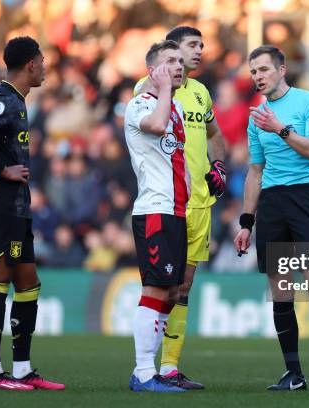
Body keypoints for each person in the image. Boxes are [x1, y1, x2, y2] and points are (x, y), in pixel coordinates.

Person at [234, 45, 309, 391]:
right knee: (281, 292)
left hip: (306, 199)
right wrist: (246, 221)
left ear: (282, 70)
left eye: (264, 69)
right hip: (273, 205)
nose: (258, 77)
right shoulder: (257, 117)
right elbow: (255, 170)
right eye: (253, 72)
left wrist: (280, 128)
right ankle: (294, 374)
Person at [0, 36, 64, 391]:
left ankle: (22, 369)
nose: (46, 67)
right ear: (31, 65)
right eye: (43, 60)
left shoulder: (18, 103)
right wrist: (4, 168)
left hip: (17, 210)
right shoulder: (5, 100)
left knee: (28, 283)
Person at [134, 25, 227, 390]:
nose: (199, 51)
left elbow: (216, 134)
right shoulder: (148, 92)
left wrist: (217, 165)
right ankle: (146, 366)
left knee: (183, 287)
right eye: (191, 46)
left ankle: (169, 367)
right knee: (162, 286)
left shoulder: (202, 94)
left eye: (201, 45)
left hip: (199, 203)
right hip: (165, 202)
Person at [125, 40, 189, 393]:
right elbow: (155, 126)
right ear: (152, 71)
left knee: (172, 292)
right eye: (169, 62)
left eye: (180, 61)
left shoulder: (174, 107)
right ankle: (144, 372)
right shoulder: (140, 105)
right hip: (154, 209)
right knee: (154, 289)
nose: (178, 66)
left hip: (176, 211)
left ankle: (155, 371)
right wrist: (164, 89)